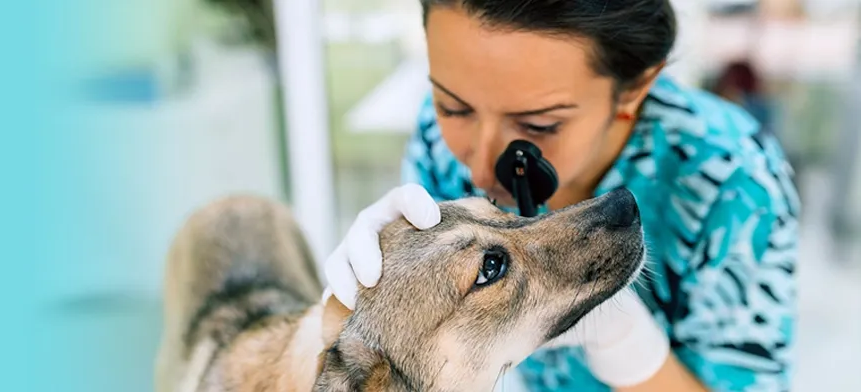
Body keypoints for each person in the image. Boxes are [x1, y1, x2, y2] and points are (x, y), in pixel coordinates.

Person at [322, 1, 801, 391]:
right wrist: (355, 320)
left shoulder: (734, 181)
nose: (480, 166)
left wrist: (632, 350)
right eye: (453, 105)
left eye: (538, 125)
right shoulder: (437, 134)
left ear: (634, 90)